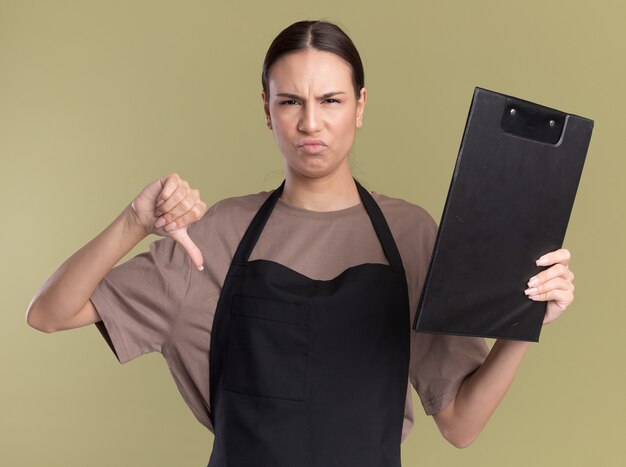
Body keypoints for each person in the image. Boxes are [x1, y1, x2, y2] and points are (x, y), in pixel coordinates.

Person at [26, 20, 576, 467]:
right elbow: (49, 313)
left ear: (360, 106)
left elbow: (460, 424)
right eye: (290, 101)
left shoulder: (410, 235)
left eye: (331, 100)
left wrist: (522, 323)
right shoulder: (218, 234)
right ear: (267, 110)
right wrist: (133, 220)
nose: (311, 123)